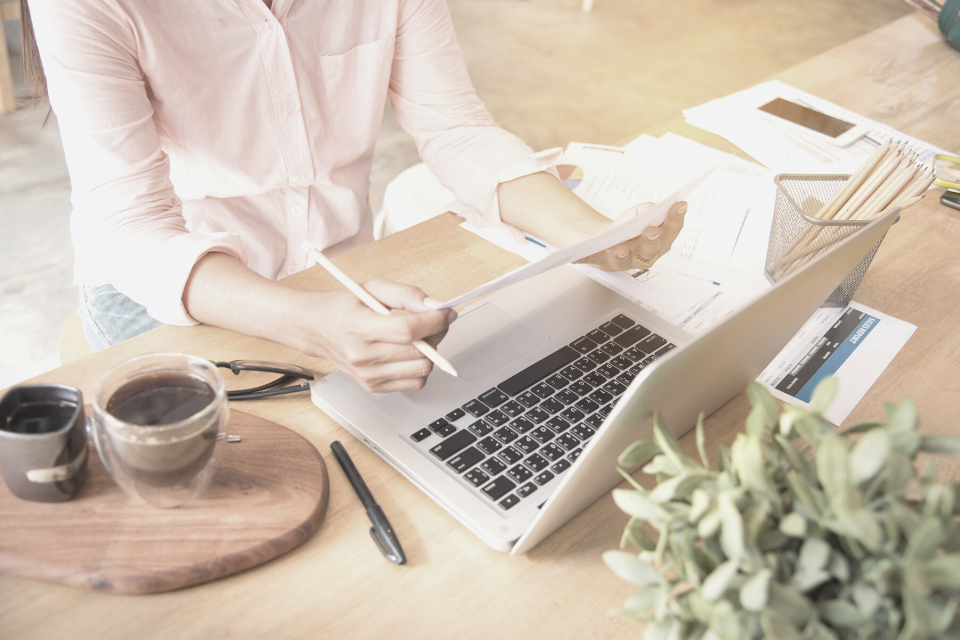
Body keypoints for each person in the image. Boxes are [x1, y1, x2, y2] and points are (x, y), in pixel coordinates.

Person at [22, 0, 686, 393]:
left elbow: (454, 128)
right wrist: (310, 324)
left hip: (341, 277)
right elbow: (132, 227)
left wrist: (593, 234)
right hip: (173, 297)